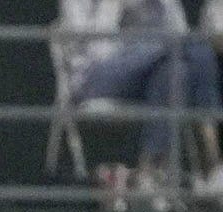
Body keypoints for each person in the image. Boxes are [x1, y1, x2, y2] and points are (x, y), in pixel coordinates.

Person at [57, 0, 221, 200]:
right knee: (195, 47)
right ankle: (211, 162)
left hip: (143, 71)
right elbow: (95, 48)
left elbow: (178, 28)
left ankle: (149, 172)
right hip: (93, 77)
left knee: (175, 71)